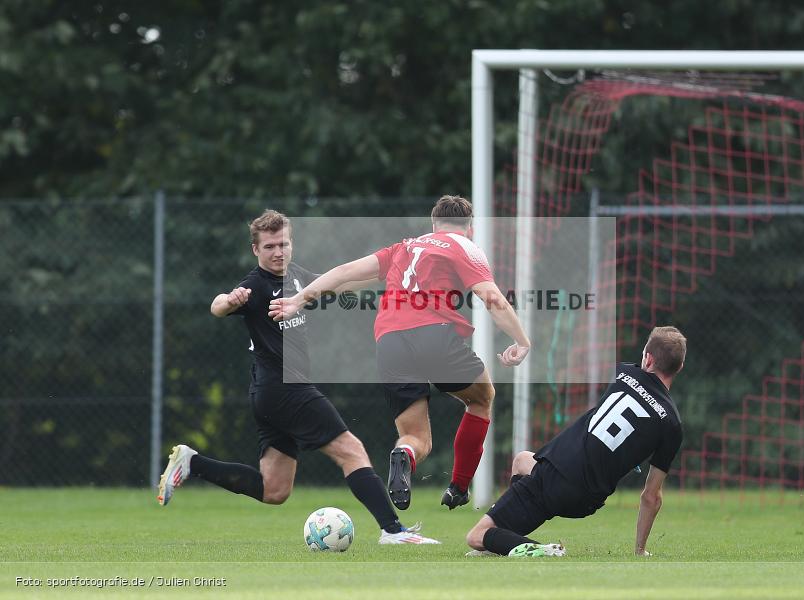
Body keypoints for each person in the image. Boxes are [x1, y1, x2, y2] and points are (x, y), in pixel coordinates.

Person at [157, 209, 439, 545]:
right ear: (255, 250)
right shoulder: (255, 286)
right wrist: (229, 300)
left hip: (269, 395)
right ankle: (393, 531)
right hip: (285, 389)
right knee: (352, 451)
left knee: (274, 490)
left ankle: (193, 463)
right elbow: (218, 305)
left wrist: (389, 273)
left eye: (284, 244)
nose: (278, 252)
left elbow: (340, 282)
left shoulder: (296, 277)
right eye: (270, 246)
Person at [269, 195, 531, 511]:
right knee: (482, 397)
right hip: (434, 335)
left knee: (415, 437)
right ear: (470, 228)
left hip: (390, 341)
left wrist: (300, 299)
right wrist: (521, 340)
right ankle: (459, 487)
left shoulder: (404, 247)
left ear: (433, 224)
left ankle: (404, 455)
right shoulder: (466, 247)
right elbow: (492, 298)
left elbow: (347, 270)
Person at [465, 326, 686, 557]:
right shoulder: (672, 423)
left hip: (556, 475)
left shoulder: (622, 373)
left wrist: (521, 350)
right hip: (587, 500)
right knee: (522, 461)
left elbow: (573, 363)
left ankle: (542, 550)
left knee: (475, 537)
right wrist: (640, 550)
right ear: (679, 367)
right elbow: (651, 496)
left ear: (648, 358)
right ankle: (506, 542)